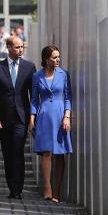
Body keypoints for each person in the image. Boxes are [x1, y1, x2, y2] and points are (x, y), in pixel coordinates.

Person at [0, 36, 36, 199]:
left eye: (22, 47)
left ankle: (17, 189)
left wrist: (32, 116)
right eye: (17, 47)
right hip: (3, 117)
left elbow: (34, 95)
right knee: (7, 153)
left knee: (18, 151)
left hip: (21, 117)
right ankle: (11, 185)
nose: (20, 50)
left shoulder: (29, 67)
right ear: (8, 48)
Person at [29, 45, 72, 203]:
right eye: (54, 57)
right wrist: (32, 118)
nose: (57, 60)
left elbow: (68, 98)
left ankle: (57, 192)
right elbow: (34, 99)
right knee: (46, 152)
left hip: (60, 115)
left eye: (58, 57)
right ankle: (47, 188)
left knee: (60, 154)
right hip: (45, 115)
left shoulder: (64, 74)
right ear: (46, 59)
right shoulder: (37, 76)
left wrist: (67, 116)